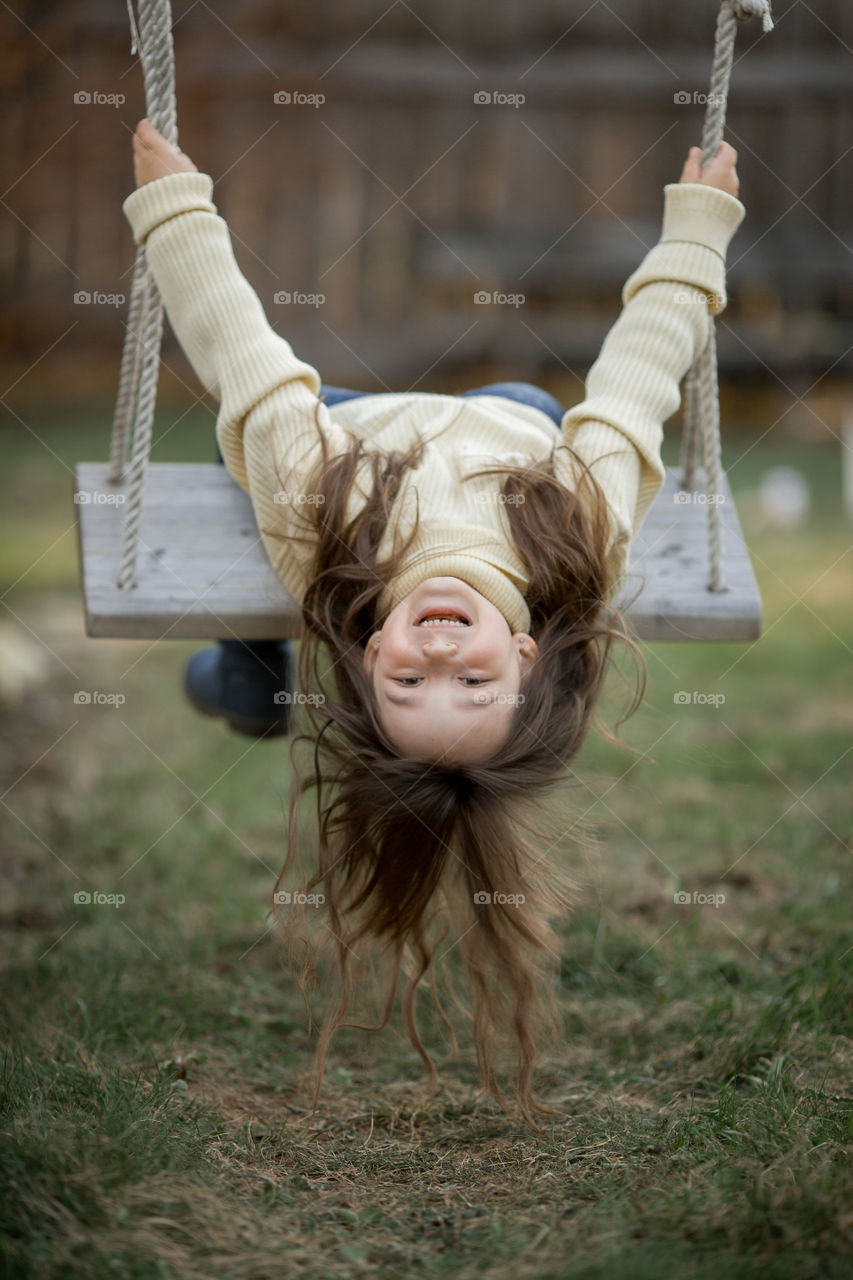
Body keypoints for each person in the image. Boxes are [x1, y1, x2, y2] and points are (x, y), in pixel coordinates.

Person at [125, 119, 744, 1128]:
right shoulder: (576, 531)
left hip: (352, 425)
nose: (443, 654)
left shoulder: (321, 522)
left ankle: (242, 685)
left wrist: (174, 208)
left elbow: (242, 351)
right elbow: (639, 379)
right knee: (529, 400)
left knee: (259, 441)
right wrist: (698, 226)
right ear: (526, 653)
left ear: (371, 654)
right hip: (509, 419)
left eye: (409, 683)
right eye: (474, 681)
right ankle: (251, 691)